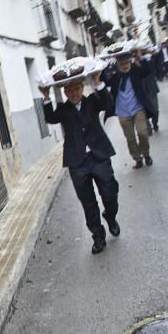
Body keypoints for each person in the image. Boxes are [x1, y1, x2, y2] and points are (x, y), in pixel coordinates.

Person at [41, 72, 119, 255]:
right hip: (77, 163)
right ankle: (98, 237)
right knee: (88, 202)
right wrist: (46, 97)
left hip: (99, 156)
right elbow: (50, 118)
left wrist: (98, 82)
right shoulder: (63, 110)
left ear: (82, 88)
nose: (74, 93)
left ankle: (110, 216)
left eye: (76, 89)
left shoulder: (92, 101)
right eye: (69, 91)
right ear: (65, 93)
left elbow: (108, 104)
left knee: (110, 193)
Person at [105, 50, 158, 169]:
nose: (125, 66)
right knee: (130, 138)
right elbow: (105, 79)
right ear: (118, 65)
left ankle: (146, 154)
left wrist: (141, 58)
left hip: (138, 108)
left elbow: (147, 70)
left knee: (142, 133)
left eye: (126, 63)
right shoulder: (115, 76)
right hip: (122, 111)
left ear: (130, 62)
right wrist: (105, 65)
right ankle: (137, 158)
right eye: (122, 64)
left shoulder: (136, 70)